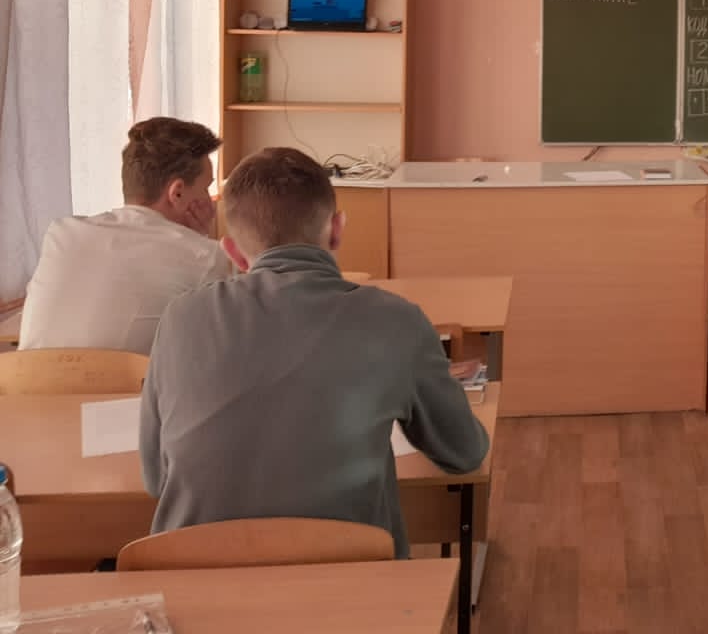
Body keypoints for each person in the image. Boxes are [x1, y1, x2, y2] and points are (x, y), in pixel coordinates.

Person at [139, 147, 488, 557]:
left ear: (233, 253)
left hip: (196, 574)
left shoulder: (180, 317)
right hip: (351, 574)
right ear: (337, 230)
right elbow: (464, 453)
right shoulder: (396, 320)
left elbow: (156, 478)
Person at [21, 118, 233, 354]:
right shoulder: (205, 256)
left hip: (23, 377)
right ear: (178, 193)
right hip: (128, 380)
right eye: (206, 187)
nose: (209, 200)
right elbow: (215, 349)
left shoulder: (62, 232)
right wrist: (201, 239)